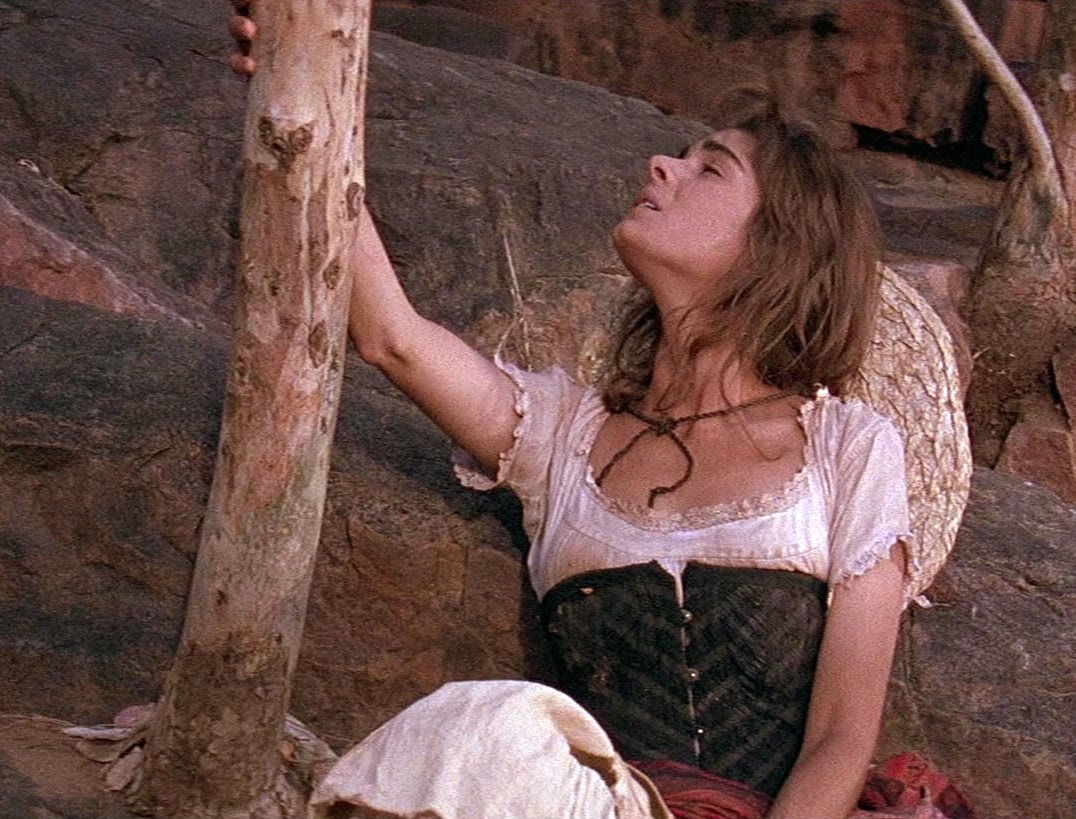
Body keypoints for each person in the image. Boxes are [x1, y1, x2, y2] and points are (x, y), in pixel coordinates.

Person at [227, 6, 972, 818]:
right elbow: (391, 337)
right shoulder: (562, 434)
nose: (661, 166)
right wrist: (310, 102)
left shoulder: (847, 447)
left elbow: (840, 736)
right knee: (494, 725)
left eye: (709, 169)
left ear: (777, 245)